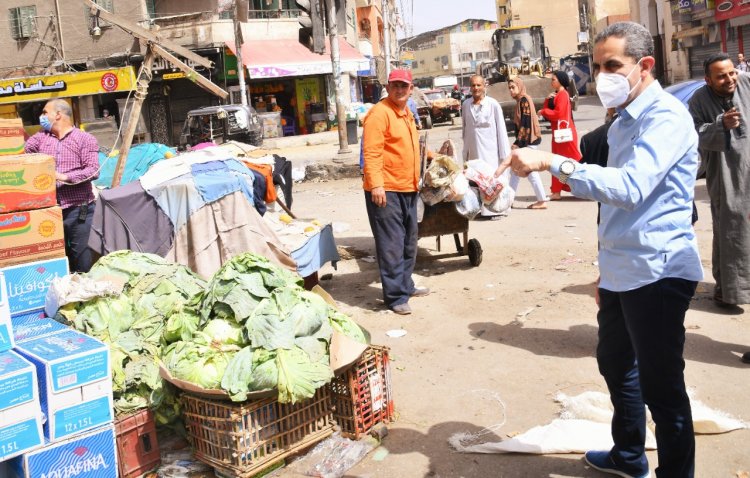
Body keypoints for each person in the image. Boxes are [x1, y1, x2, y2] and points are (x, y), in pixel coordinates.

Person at [510, 22, 702, 477]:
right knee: (615, 363)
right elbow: (613, 207)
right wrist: (606, 271)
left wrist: (554, 162)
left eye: (612, 65)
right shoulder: (622, 122)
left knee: (663, 388)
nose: (602, 75)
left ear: (645, 65)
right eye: (597, 66)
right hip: (623, 268)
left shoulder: (666, 118)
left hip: (657, 270)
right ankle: (628, 455)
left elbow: (632, 187)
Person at [362, 69, 430, 316]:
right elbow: (371, 153)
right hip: (386, 190)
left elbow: (411, 146)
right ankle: (395, 297)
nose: (400, 90)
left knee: (409, 243)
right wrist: (377, 184)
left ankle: (406, 285)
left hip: (409, 187)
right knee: (391, 245)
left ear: (411, 89)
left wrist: (433, 156)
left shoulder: (406, 113)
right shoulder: (379, 114)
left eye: (404, 86)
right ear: (388, 87)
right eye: (395, 86)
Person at [687, 54, 749, 316]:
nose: (729, 79)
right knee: (729, 228)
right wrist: (720, 125)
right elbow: (693, 134)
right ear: (708, 80)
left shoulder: (746, 85)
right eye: (721, 76)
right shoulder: (699, 100)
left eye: (731, 73)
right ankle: (729, 289)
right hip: (724, 173)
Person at [25, 99, 100, 273]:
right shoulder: (40, 138)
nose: (41, 116)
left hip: (79, 208)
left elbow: (92, 171)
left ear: (58, 115)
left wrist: (63, 177)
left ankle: (83, 294)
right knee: (53, 259)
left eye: (45, 112)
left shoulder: (84, 139)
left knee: (82, 259)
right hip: (48, 209)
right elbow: (22, 156)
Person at [461, 74, 511, 220]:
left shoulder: (493, 104)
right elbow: (464, 130)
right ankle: (479, 210)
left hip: (490, 152)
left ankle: (496, 210)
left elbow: (501, 130)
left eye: (479, 85)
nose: (476, 88)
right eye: (473, 86)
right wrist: (466, 152)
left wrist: (504, 154)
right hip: (474, 151)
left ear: (484, 86)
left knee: (492, 181)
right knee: (476, 181)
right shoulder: (466, 105)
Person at [537, 70, 582, 200]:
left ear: (561, 80)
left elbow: (558, 114)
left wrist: (544, 111)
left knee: (574, 160)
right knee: (560, 163)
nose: (551, 81)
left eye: (553, 79)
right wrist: (547, 100)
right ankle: (557, 190)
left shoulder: (563, 95)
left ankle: (587, 182)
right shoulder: (557, 94)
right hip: (559, 134)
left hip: (565, 135)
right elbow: (552, 111)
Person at [507, 76, 548, 209]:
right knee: (517, 171)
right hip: (527, 140)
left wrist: (518, 142)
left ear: (520, 86)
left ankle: (541, 200)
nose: (511, 90)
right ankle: (508, 201)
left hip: (528, 141)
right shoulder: (520, 100)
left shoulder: (524, 100)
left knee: (528, 172)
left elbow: (525, 123)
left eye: (513, 87)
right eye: (509, 88)